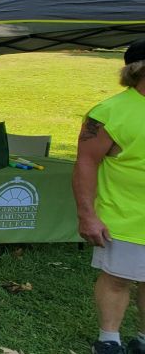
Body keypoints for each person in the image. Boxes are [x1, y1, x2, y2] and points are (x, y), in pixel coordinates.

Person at [74, 39, 145, 354]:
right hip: (124, 217)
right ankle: (109, 340)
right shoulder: (108, 113)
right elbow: (86, 163)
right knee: (117, 279)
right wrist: (87, 215)